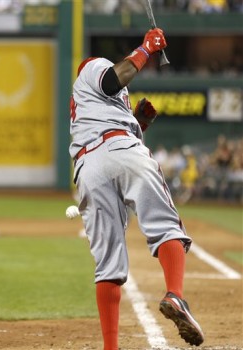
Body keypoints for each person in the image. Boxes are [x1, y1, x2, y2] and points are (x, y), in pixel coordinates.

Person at [68, 28, 204, 349]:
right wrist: (146, 48)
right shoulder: (91, 67)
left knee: (108, 264)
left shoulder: (90, 104)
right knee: (165, 224)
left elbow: (111, 106)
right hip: (119, 149)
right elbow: (113, 79)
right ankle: (176, 295)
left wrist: (137, 122)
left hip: (88, 168)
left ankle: (110, 347)